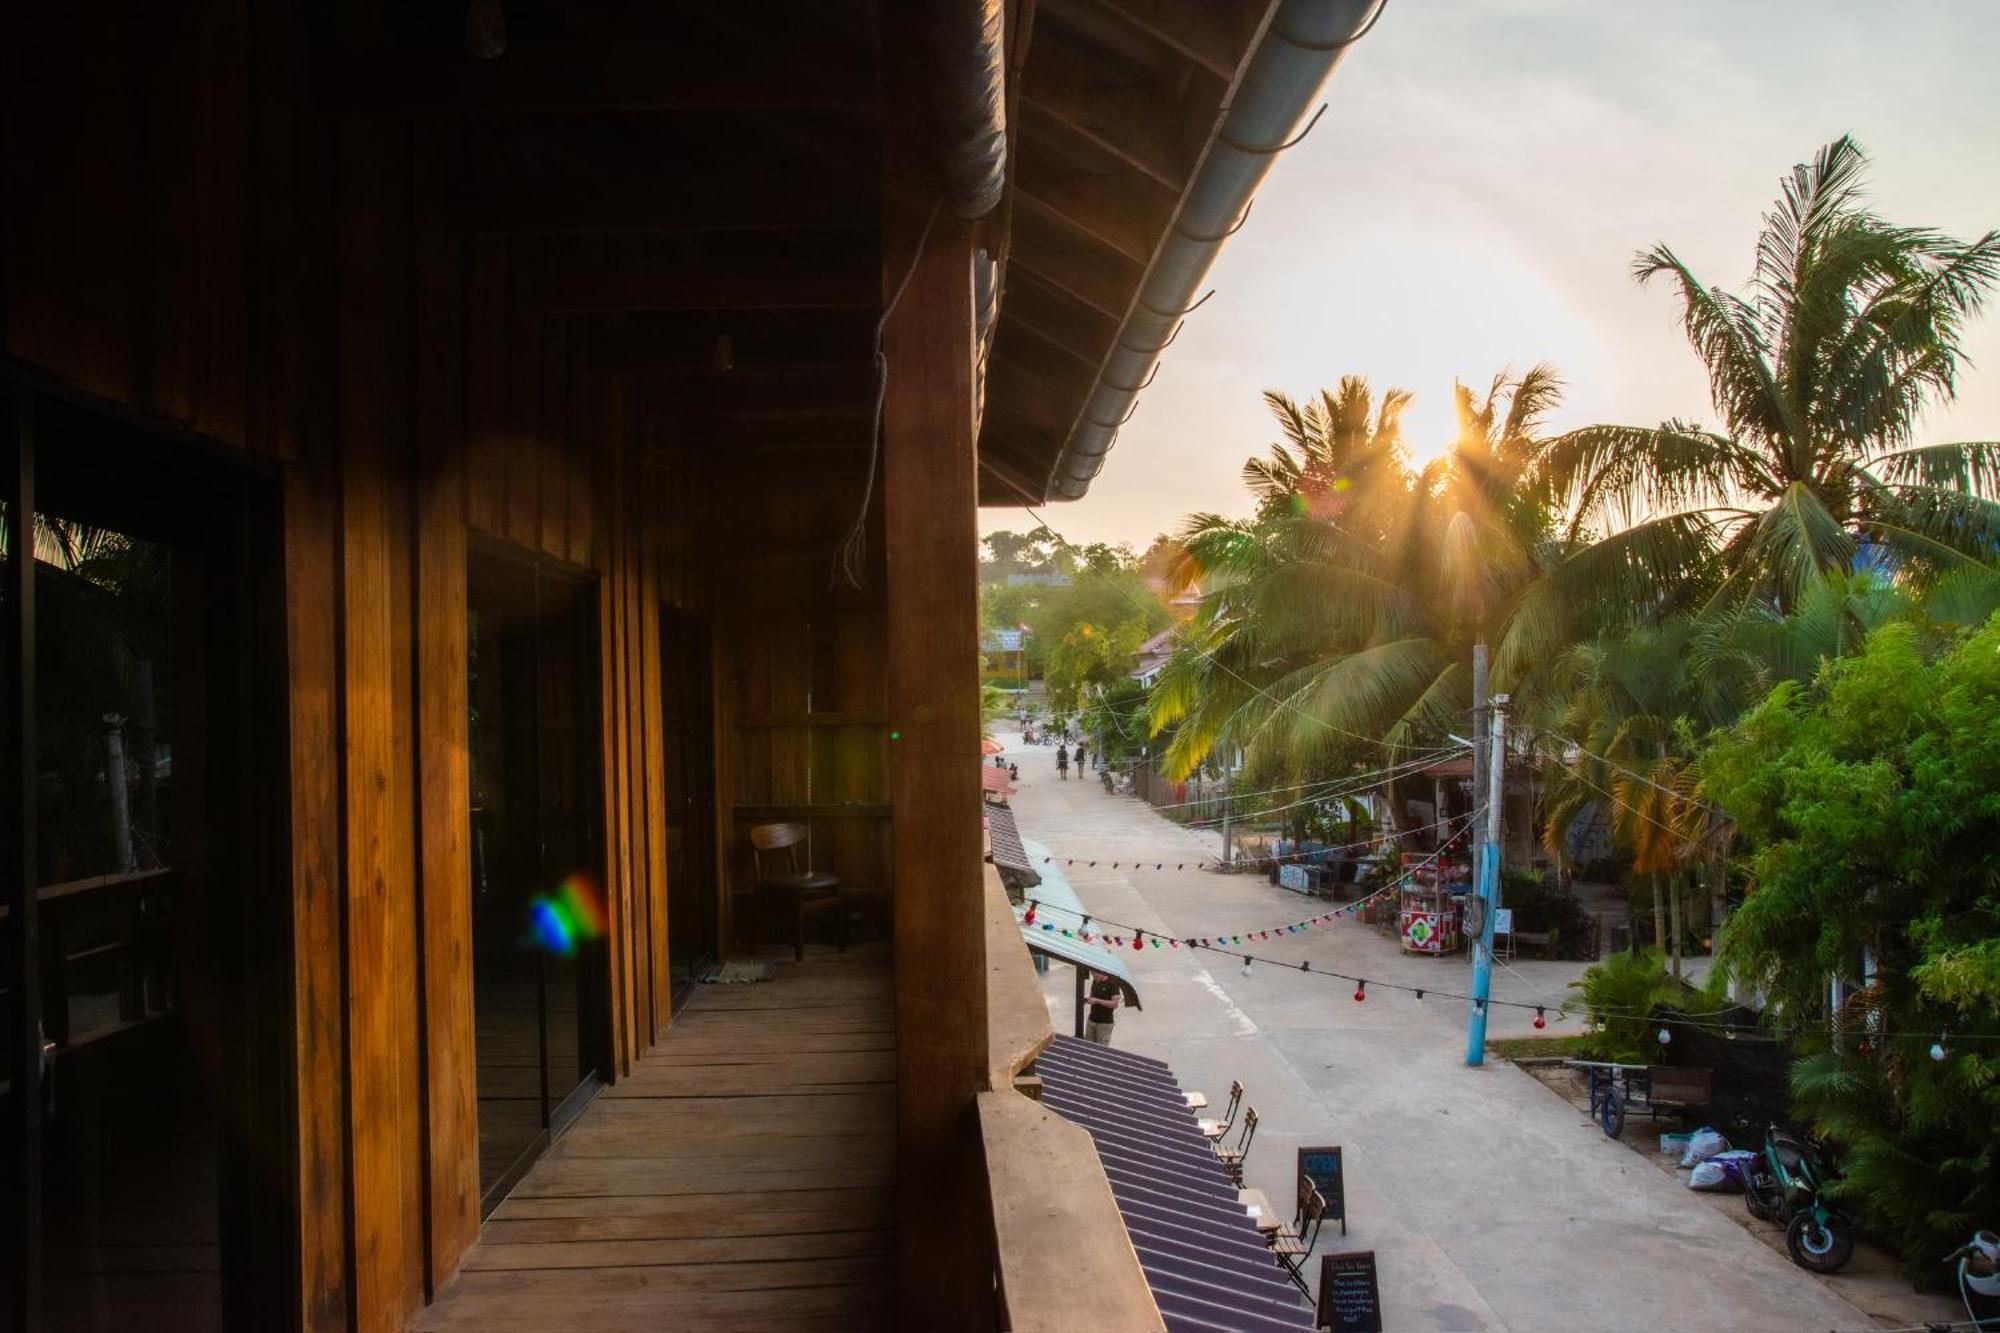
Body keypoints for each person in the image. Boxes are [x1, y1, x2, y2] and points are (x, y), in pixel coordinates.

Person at [1085, 971, 1122, 1044]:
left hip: (1104, 1023)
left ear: (1101, 972)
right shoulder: (1095, 981)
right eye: (1092, 975)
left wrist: (1097, 1001)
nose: (1094, 977)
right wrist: (1088, 998)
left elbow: (1115, 1004)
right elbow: (1094, 994)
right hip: (1092, 1019)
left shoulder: (1113, 983)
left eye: (1095, 975)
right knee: (1088, 1046)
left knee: (1101, 1049)